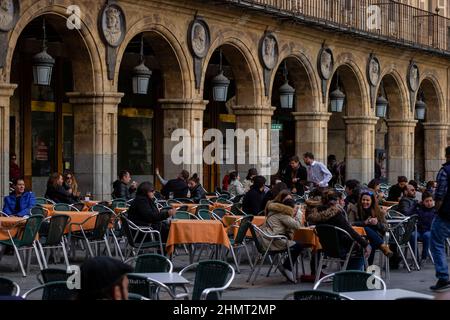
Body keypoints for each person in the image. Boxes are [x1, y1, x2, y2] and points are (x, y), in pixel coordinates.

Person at [306, 190, 371, 271]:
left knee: (355, 243)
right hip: (341, 248)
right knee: (359, 246)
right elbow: (350, 231)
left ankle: (347, 270)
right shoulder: (336, 214)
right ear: (336, 201)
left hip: (325, 248)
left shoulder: (316, 215)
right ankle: (353, 275)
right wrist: (366, 244)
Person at [258, 190, 303, 283]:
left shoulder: (275, 210)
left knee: (296, 244)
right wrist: (299, 213)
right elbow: (297, 226)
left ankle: (286, 267)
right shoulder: (283, 214)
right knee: (299, 245)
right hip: (273, 241)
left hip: (267, 239)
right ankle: (287, 267)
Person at [347, 190, 393, 266]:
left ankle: (368, 266)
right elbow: (349, 224)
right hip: (358, 237)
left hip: (373, 237)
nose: (365, 202)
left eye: (367, 200)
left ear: (372, 201)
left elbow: (386, 227)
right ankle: (382, 246)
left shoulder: (378, 210)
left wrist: (377, 223)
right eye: (363, 200)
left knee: (371, 241)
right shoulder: (354, 209)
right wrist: (363, 223)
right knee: (366, 229)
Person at [430, 147, 450, 292]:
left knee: (437, 242)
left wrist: (437, 209)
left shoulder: (445, 171)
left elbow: (440, 194)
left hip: (446, 214)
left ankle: (443, 277)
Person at [410, 191, 436, 263]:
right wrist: (415, 205)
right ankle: (416, 258)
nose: (429, 203)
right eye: (427, 201)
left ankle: (424, 256)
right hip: (419, 231)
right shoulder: (419, 209)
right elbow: (409, 214)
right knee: (412, 235)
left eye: (431, 201)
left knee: (426, 235)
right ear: (423, 202)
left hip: (431, 231)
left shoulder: (435, 210)